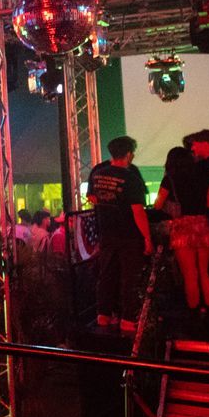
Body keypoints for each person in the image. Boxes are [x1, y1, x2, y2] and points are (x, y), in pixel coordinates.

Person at [86, 136, 152, 331]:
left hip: (106, 232)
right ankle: (128, 320)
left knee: (106, 275)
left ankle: (103, 317)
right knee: (129, 278)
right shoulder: (131, 177)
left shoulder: (98, 173)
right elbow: (138, 211)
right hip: (129, 235)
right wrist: (147, 238)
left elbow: (92, 198)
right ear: (129, 154)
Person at [154, 145, 209, 313]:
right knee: (204, 272)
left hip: (181, 226)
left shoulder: (170, 179)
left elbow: (158, 204)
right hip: (202, 225)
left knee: (189, 274)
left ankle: (194, 312)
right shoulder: (204, 176)